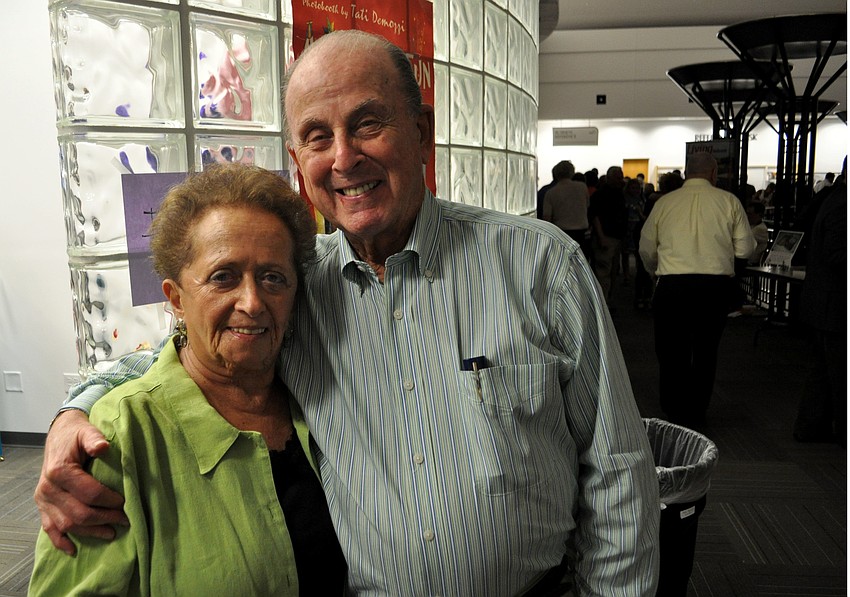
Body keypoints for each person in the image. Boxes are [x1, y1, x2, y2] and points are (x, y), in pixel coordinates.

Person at [36, 30, 659, 596]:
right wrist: (79, 411)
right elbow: (194, 345)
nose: (343, 158)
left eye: (367, 124)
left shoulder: (539, 263)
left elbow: (618, 468)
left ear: (421, 131)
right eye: (316, 136)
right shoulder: (296, 287)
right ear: (297, 158)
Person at [28, 164, 346, 595]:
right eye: (223, 277)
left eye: (273, 277)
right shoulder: (117, 439)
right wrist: (72, 411)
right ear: (175, 298)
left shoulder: (316, 399)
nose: (252, 302)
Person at [639, 153, 756, 426]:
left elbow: (646, 247)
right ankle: (696, 411)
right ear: (714, 174)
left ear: (686, 172)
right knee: (705, 350)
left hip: (672, 285)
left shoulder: (664, 203)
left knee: (670, 351)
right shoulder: (729, 202)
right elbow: (745, 249)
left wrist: (656, 270)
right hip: (713, 288)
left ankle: (673, 409)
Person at [794, 165, 846, 444]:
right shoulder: (841, 204)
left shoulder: (831, 198)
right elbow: (836, 253)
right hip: (833, 304)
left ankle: (811, 427)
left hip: (825, 303)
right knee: (837, 374)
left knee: (825, 372)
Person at [588, 165, 628, 303]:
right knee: (603, 272)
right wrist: (601, 237)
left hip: (615, 237)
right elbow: (595, 216)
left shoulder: (617, 193)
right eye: (618, 177)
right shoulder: (603, 194)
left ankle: (606, 300)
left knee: (611, 271)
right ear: (610, 177)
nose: (620, 179)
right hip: (607, 237)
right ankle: (602, 302)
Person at [542, 160, 591, 258]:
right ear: (572, 172)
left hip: (561, 233)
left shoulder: (551, 192)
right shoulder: (582, 187)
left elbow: (546, 218)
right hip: (581, 232)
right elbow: (587, 205)